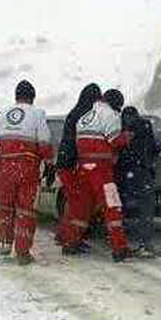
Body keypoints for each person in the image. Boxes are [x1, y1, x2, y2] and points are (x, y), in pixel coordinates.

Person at [0, 79, 53, 265]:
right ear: (32, 97)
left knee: (5, 206)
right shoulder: (37, 114)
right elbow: (44, 142)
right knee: (26, 210)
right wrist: (50, 165)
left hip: (6, 168)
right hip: (28, 168)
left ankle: (5, 242)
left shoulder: (3, 114)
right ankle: (22, 252)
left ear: (16, 96)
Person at [61, 89, 133, 262]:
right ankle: (119, 248)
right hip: (101, 170)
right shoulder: (110, 115)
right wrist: (128, 136)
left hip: (83, 168)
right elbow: (114, 140)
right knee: (112, 206)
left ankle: (71, 243)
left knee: (81, 208)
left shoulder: (85, 117)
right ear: (116, 103)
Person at [55, 83, 102, 249]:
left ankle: (63, 235)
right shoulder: (86, 116)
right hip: (72, 164)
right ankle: (71, 242)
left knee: (73, 203)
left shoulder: (74, 113)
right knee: (80, 206)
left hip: (64, 163)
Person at [117, 105, 161, 258]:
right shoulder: (145, 126)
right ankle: (145, 244)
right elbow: (155, 149)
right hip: (143, 173)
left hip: (124, 175)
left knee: (121, 210)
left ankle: (120, 244)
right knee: (146, 210)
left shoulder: (119, 128)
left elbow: (117, 150)